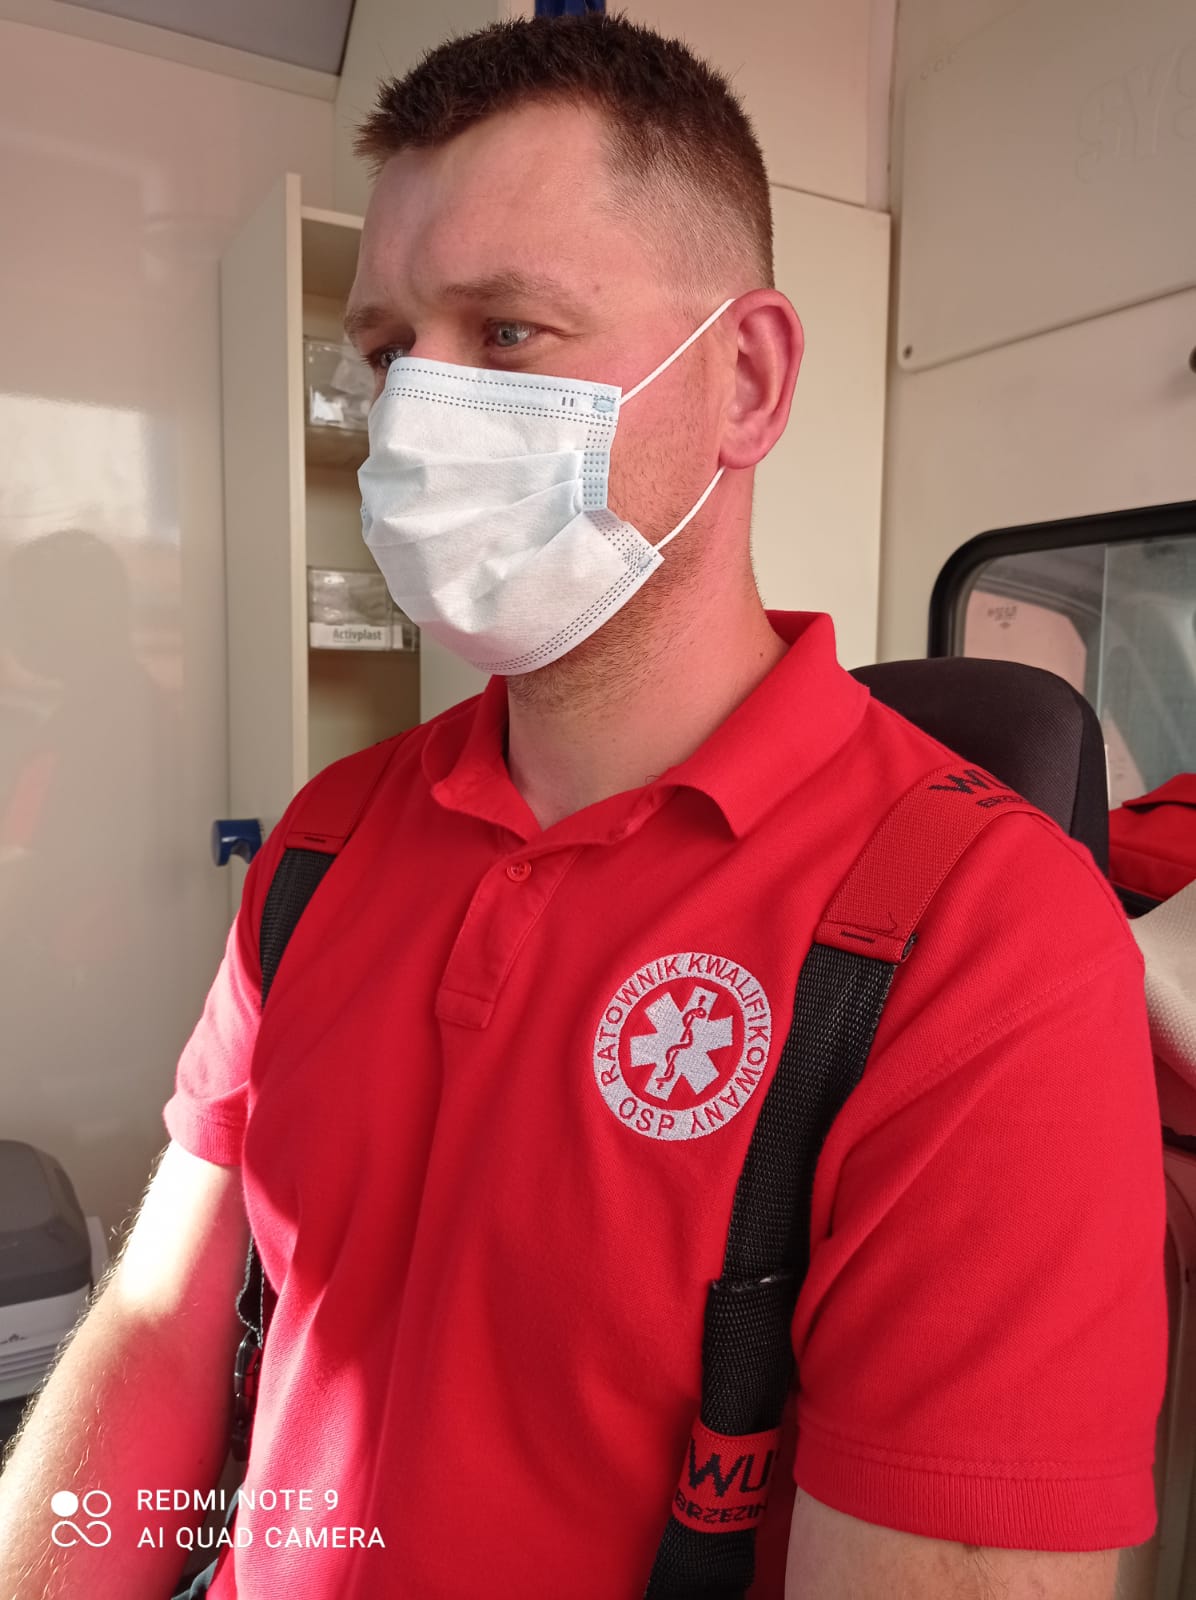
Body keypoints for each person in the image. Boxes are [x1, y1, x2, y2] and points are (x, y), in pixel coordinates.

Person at [0, 12, 1167, 1599]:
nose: (417, 415)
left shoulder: (982, 942)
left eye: (507, 332)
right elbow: (157, 1326)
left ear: (745, 382)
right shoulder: (325, 843)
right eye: (388, 352)